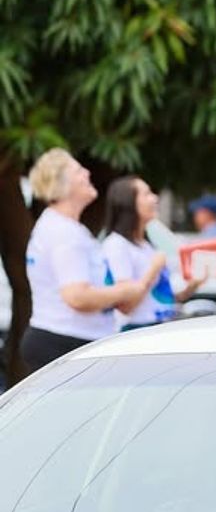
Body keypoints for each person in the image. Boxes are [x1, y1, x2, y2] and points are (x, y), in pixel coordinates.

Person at [22, 150, 164, 374]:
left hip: (71, 341)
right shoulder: (62, 232)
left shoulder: (66, 228)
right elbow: (77, 296)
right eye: (78, 170)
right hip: (65, 343)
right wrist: (125, 291)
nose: (87, 173)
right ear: (61, 183)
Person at [101, 176, 207, 330]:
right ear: (129, 203)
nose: (155, 198)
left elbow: (162, 300)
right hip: (134, 331)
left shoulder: (146, 246)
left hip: (160, 327)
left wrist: (192, 286)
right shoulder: (116, 245)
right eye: (146, 194)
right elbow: (126, 306)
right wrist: (153, 270)